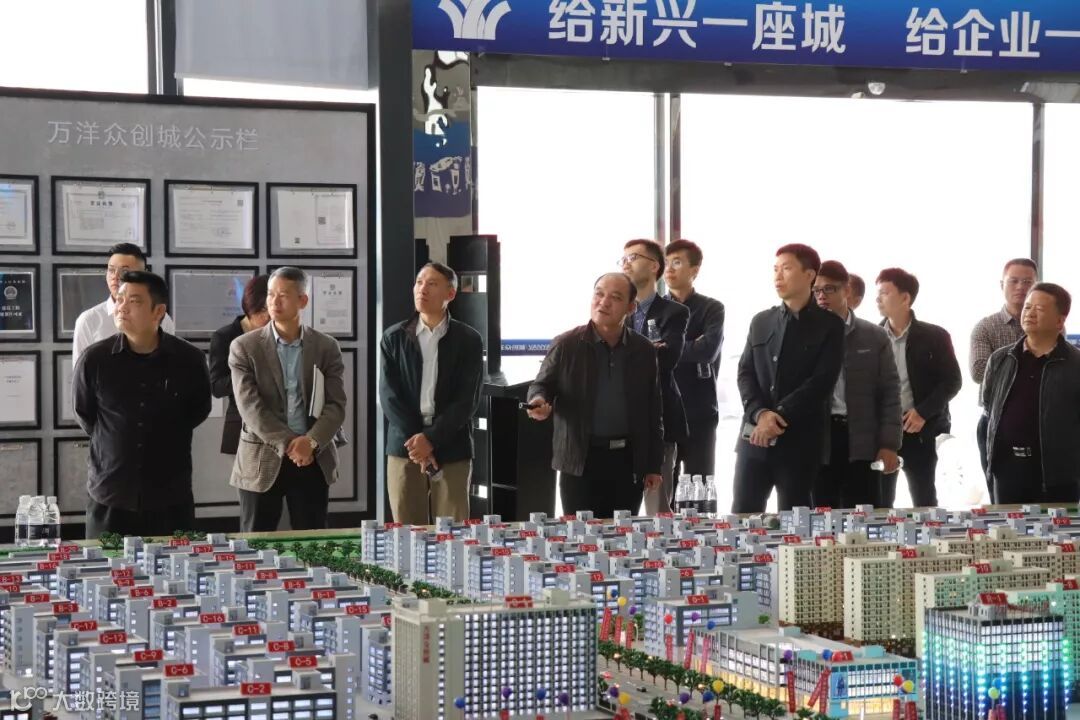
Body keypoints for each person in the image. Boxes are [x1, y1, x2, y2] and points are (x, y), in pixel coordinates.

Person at [72, 270, 211, 539]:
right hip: (111, 493)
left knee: (174, 564)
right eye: (120, 299)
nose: (122, 307)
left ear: (158, 311)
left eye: (134, 301)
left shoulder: (189, 360)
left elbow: (198, 410)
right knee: (106, 564)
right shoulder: (95, 360)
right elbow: (85, 414)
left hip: (169, 495)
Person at [527, 273, 663, 518]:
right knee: (580, 534)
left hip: (628, 461)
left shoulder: (643, 349)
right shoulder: (567, 344)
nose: (604, 302)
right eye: (599, 294)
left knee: (623, 533)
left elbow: (654, 410)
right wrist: (538, 401)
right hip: (580, 459)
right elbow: (542, 385)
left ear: (631, 307)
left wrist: (654, 465)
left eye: (615, 297)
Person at [229, 267, 346, 532]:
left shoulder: (326, 347)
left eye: (283, 295)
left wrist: (310, 442)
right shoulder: (245, 347)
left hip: (312, 457)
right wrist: (291, 444)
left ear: (302, 300)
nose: (274, 301)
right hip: (262, 456)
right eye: (271, 294)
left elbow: (336, 405)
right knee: (256, 540)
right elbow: (250, 407)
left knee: (312, 539)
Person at [733, 244, 844, 513]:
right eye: (775, 269)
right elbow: (745, 372)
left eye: (786, 268)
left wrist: (778, 415)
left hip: (799, 441)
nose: (778, 276)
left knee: (795, 519)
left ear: (809, 275)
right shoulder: (761, 321)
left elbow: (822, 381)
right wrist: (760, 414)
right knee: (743, 515)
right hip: (754, 438)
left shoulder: (830, 325)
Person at [380, 263, 483, 524]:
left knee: (452, 532)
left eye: (432, 284)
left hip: (452, 444)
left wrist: (431, 438)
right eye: (419, 282)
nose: (422, 289)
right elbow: (389, 396)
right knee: (406, 531)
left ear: (450, 293)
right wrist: (418, 443)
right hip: (405, 447)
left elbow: (467, 399)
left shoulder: (468, 339)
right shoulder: (394, 337)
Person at [812, 261, 901, 509]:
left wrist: (889, 444)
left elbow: (890, 393)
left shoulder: (874, 336)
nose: (821, 296)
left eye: (829, 289)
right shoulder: (805, 334)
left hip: (861, 439)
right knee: (819, 518)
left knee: (863, 515)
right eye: (816, 291)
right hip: (818, 440)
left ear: (846, 290)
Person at [983, 283, 1080, 504]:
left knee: (1057, 527)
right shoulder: (1000, 359)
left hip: (1057, 475)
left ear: (1060, 321)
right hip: (1007, 471)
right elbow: (989, 408)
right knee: (1006, 525)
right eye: (1027, 307)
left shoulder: (1075, 364)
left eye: (1040, 308)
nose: (1030, 313)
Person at [876, 268, 962, 508]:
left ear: (905, 298)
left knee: (924, 499)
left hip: (920, 429)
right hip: (884, 432)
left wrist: (923, 412)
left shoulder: (934, 335)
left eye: (884, 293)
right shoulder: (872, 336)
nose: (878, 299)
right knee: (881, 501)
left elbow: (952, 381)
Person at [620, 239, 689, 513]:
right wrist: (650, 350)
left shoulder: (674, 312)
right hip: (620, 423)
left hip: (660, 419)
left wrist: (627, 357)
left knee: (657, 512)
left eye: (633, 257)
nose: (626, 263)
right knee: (620, 511)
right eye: (623, 258)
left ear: (654, 266)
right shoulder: (616, 311)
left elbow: (668, 360)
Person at [970, 258, 1037, 501]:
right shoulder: (986, 327)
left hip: (1039, 421)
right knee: (1001, 497)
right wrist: (1026, 359)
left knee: (1043, 496)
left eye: (1027, 282)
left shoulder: (1051, 325)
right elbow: (979, 371)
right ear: (1002, 285)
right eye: (1014, 281)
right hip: (997, 422)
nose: (1021, 287)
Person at [663, 239, 725, 477]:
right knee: (664, 487)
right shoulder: (656, 309)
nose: (669, 268)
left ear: (694, 270)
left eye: (677, 262)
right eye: (666, 262)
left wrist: (668, 347)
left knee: (701, 483)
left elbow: (707, 350)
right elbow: (649, 353)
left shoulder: (712, 308)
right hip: (664, 410)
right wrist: (691, 345)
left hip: (700, 409)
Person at [72, 243, 175, 365]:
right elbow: (81, 372)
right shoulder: (89, 320)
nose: (115, 277)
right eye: (111, 270)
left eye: (125, 271)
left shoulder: (162, 319)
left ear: (143, 274)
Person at [209, 275, 270, 455]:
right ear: (249, 306)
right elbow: (217, 387)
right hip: (241, 421)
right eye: (262, 309)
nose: (268, 316)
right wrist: (251, 373)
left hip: (280, 423)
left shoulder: (279, 334)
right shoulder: (225, 337)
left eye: (272, 308)